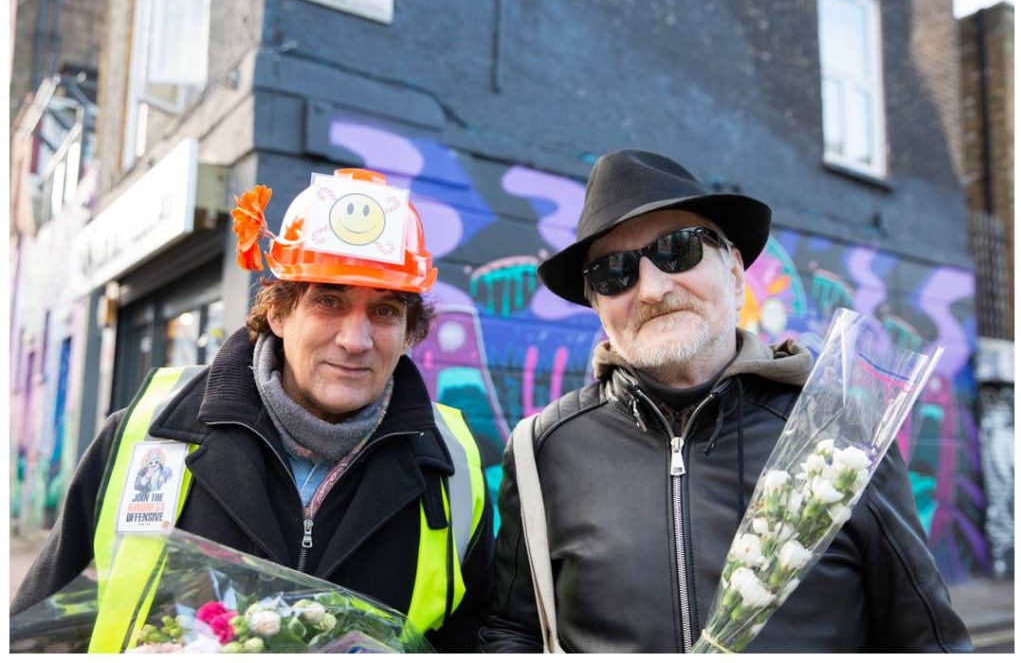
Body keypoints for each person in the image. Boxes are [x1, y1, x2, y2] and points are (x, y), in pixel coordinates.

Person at [478, 149, 971, 653]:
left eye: (677, 249)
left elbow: (929, 641)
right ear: (599, 307)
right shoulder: (544, 449)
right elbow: (513, 630)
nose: (650, 288)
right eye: (613, 272)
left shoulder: (842, 434)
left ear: (735, 274)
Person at [12, 168, 494, 653]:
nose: (355, 340)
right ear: (279, 313)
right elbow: (34, 637)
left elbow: (474, 639)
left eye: (385, 310)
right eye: (328, 301)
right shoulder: (144, 433)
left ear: (411, 331)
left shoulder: (454, 470)